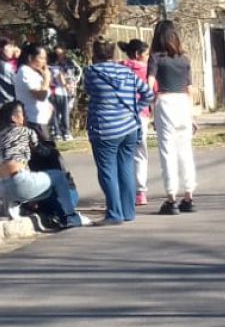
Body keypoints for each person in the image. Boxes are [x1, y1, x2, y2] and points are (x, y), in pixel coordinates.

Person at [81, 39, 155, 223]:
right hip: (129, 126)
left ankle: (114, 213)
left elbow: (88, 91)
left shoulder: (91, 72)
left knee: (108, 170)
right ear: (113, 53)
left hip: (104, 127)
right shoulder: (127, 72)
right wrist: (135, 109)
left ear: (94, 54)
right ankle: (128, 212)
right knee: (126, 168)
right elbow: (148, 93)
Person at [0, 100, 85, 229]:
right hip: (19, 182)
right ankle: (71, 217)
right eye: (23, 114)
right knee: (57, 176)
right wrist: (50, 147)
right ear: (14, 118)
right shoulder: (26, 131)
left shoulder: (0, 136)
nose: (25, 117)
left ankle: (17, 206)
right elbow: (42, 151)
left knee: (40, 183)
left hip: (2, 188)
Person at [149, 19, 198, 214]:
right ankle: (189, 196)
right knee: (185, 151)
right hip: (183, 104)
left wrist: (149, 105)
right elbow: (191, 89)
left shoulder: (156, 58)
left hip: (166, 102)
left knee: (167, 152)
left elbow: (149, 83)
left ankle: (171, 198)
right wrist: (192, 115)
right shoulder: (184, 59)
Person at [122, 39, 155, 209]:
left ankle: (124, 191)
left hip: (120, 115)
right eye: (146, 54)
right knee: (140, 154)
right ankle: (140, 192)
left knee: (122, 154)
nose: (148, 57)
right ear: (137, 54)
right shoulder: (146, 70)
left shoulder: (119, 68)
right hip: (140, 115)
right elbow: (152, 92)